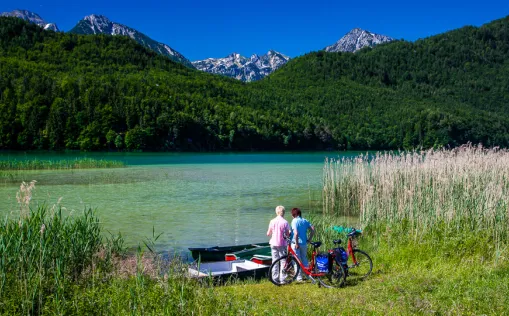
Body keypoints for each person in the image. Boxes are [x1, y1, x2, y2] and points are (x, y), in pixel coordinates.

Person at [267, 205, 291, 282]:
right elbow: (287, 234)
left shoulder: (272, 221)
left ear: (276, 212)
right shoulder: (285, 222)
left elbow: (268, 233)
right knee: (283, 261)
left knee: (275, 261)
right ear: (283, 213)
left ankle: (275, 278)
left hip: (273, 243)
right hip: (282, 244)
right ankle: (282, 279)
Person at [291, 207, 315, 281]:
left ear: (294, 214)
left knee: (297, 261)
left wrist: (297, 243)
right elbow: (313, 229)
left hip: (296, 243)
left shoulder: (294, 221)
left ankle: (299, 278)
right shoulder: (305, 220)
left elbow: (296, 233)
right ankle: (308, 275)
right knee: (304, 259)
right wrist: (310, 239)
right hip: (304, 243)